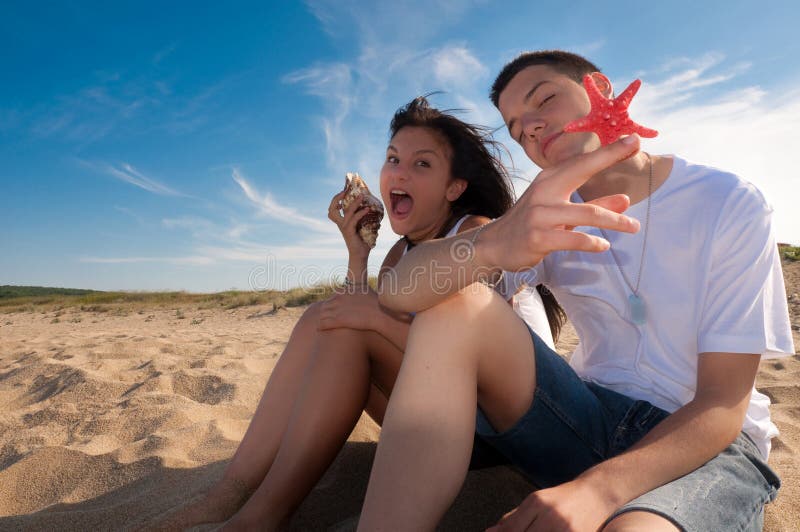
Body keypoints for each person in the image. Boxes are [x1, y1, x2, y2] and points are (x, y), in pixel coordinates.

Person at [359, 51, 794, 532]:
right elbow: (397, 293)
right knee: (459, 302)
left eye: (544, 99)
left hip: (708, 441)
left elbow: (722, 402)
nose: (531, 128)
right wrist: (491, 244)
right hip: (589, 414)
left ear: (601, 89)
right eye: (516, 126)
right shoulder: (542, 217)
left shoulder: (726, 201)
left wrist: (598, 490)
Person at [153, 96, 564, 531]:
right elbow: (355, 322)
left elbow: (466, 356)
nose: (399, 172)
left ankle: (261, 515)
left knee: (344, 321)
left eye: (422, 164)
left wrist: (369, 317)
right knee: (324, 317)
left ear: (454, 188)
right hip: (443, 423)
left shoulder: (475, 234)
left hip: (500, 428)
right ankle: (232, 492)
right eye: (393, 158)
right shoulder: (401, 254)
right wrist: (357, 255)